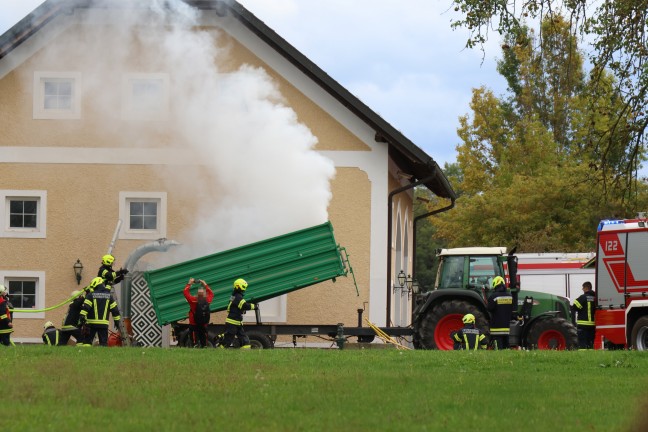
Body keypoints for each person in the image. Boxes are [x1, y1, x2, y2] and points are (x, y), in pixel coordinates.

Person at [79, 277, 122, 346]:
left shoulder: (91, 295)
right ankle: (102, 356)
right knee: (103, 343)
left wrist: (82, 317)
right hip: (103, 324)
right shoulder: (109, 296)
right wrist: (117, 322)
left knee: (87, 343)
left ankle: (85, 355)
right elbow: (115, 311)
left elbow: (85, 307)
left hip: (91, 324)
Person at [220, 278, 256, 349]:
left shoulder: (234, 296)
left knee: (244, 339)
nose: (244, 289)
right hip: (233, 323)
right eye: (243, 287)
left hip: (236, 322)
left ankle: (245, 354)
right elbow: (244, 305)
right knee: (228, 341)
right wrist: (254, 306)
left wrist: (241, 310)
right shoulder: (238, 297)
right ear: (238, 286)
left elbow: (234, 307)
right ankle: (219, 351)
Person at [183, 278, 214, 348]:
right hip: (204, 323)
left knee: (194, 337)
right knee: (204, 335)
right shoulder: (208, 300)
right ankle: (204, 346)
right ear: (204, 294)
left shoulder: (193, 300)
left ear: (197, 294)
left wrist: (189, 283)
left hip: (194, 323)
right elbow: (211, 293)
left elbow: (185, 293)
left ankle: (195, 345)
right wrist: (205, 284)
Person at [488, 275, 513, 350]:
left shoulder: (494, 297)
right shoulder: (510, 296)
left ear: (495, 284)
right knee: (506, 347)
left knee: (498, 349)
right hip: (506, 328)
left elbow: (489, 308)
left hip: (496, 329)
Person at [573, 281, 596, 349]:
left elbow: (575, 307)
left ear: (586, 288)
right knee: (590, 343)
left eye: (583, 288)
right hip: (592, 324)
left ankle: (582, 356)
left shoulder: (583, 297)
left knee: (582, 343)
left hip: (583, 324)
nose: (582, 289)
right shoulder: (595, 298)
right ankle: (591, 356)